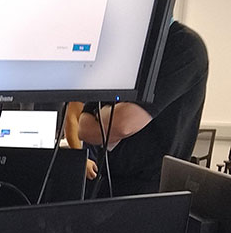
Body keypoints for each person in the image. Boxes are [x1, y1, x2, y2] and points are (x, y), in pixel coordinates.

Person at [77, 21, 209, 196]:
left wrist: (106, 115)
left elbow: (123, 124)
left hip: (150, 192)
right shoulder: (125, 47)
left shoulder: (184, 46)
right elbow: (84, 129)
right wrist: (115, 116)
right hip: (103, 183)